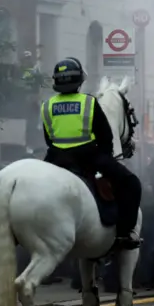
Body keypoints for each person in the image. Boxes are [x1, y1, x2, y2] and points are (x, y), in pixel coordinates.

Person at [41, 57, 142, 249]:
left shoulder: (47, 106)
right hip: (89, 159)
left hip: (55, 159)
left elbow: (48, 138)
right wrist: (105, 158)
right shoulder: (89, 102)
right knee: (132, 183)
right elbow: (105, 136)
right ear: (79, 81)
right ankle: (125, 233)